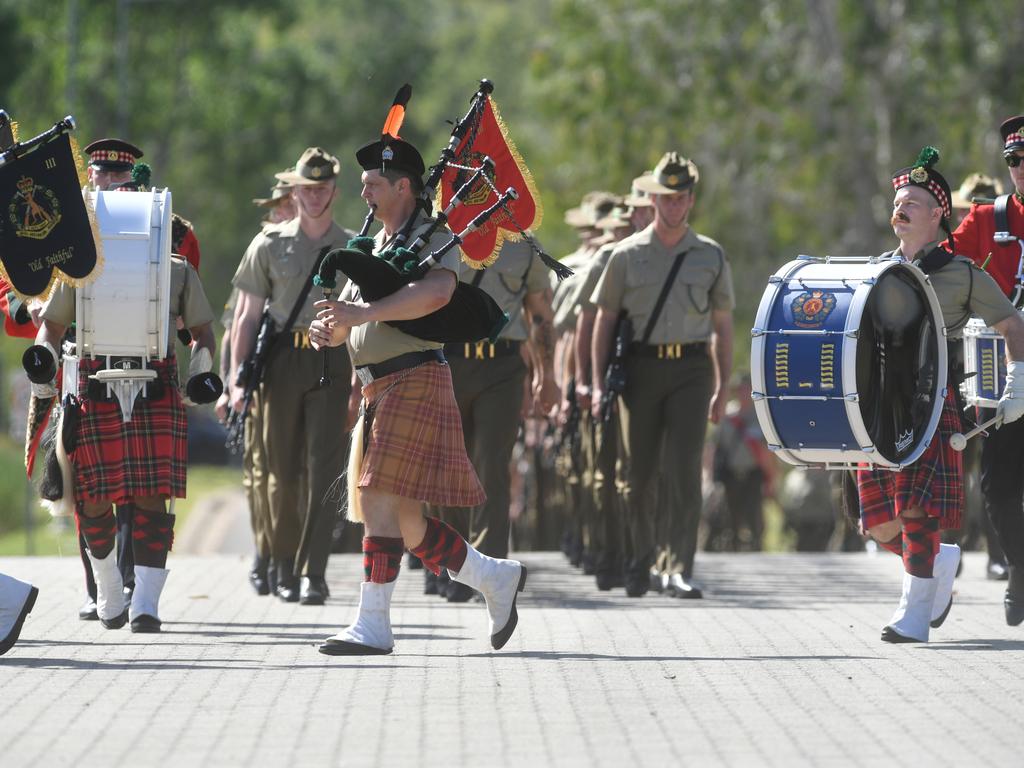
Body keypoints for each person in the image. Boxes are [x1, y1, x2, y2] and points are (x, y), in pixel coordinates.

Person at [308, 128, 526, 656]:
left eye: (373, 184)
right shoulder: (376, 246)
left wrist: (364, 312)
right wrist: (332, 330)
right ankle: (495, 578)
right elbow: (356, 325)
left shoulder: (430, 237)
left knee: (377, 497)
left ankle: (373, 624)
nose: (364, 193)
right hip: (377, 386)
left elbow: (435, 295)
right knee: (407, 525)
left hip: (414, 376)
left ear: (404, 187)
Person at [33, 182, 219, 633]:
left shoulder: (175, 271)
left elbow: (202, 332)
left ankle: (148, 604)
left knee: (154, 496)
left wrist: (201, 370)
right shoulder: (77, 270)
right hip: (94, 385)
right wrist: (43, 358)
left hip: (155, 386)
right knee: (93, 498)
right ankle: (110, 588)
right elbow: (52, 329)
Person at [857, 147, 1024, 643]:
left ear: (938, 214)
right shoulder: (878, 271)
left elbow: (1011, 323)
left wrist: (1016, 381)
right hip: (881, 405)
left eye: (912, 201)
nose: (900, 208)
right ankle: (939, 561)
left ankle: (913, 614)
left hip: (932, 404)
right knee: (880, 525)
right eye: (897, 201)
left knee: (916, 511)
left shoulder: (963, 273)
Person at [591, 152, 735, 599]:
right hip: (641, 370)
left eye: (681, 198)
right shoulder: (625, 255)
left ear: (690, 200)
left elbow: (722, 327)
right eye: (665, 198)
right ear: (653, 200)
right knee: (639, 475)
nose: (673, 206)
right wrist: (598, 385)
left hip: (692, 370)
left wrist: (720, 387)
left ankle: (678, 566)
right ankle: (642, 558)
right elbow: (604, 321)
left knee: (684, 471)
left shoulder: (709, 255)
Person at [230, 148, 354, 605]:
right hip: (281, 364)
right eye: (308, 189)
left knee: (323, 471)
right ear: (296, 191)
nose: (315, 197)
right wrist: (237, 379)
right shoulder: (269, 243)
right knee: (281, 471)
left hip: (330, 361)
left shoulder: (353, 247)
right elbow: (247, 316)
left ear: (334, 192)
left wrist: (363, 377)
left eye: (323, 189)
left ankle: (314, 571)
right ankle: (283, 564)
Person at [431, 236, 558, 601]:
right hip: (448, 360)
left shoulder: (525, 246)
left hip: (503, 366)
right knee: (450, 462)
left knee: (492, 462)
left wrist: (546, 375)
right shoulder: (440, 236)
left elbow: (540, 313)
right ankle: (451, 560)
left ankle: (488, 571)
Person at [65, 138, 147, 622]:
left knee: (137, 480)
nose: (111, 185)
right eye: (102, 177)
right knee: (83, 478)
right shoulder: (69, 235)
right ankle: (97, 583)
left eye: (120, 178)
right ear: (89, 179)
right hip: (82, 360)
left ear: (133, 180)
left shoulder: (167, 227)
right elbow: (28, 290)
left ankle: (132, 579)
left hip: (138, 361)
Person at [954, 116, 1024, 625]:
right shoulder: (987, 220)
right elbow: (941, 265)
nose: (1021, 169)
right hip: (1004, 380)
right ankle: (1021, 566)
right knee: (998, 487)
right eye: (1014, 161)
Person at [574, 179, 655, 590]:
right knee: (606, 475)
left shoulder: (668, 255)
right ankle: (610, 554)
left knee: (645, 472)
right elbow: (583, 327)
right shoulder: (608, 258)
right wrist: (586, 382)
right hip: (611, 373)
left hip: (651, 372)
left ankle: (645, 557)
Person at [217, 174, 296, 595]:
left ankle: (288, 557)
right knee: (262, 473)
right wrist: (231, 383)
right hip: (259, 378)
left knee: (292, 473)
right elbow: (235, 327)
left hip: (299, 370)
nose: (282, 212)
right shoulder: (264, 249)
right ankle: (268, 552)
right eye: (279, 207)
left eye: (286, 204)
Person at [711, 373, 775, 551]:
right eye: (741, 389)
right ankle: (732, 548)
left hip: (753, 473)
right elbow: (715, 448)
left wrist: (772, 479)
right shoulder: (727, 417)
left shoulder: (761, 417)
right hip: (731, 474)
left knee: (755, 516)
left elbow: (769, 451)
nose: (744, 393)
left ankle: (756, 547)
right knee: (730, 516)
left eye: (748, 389)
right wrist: (710, 477)